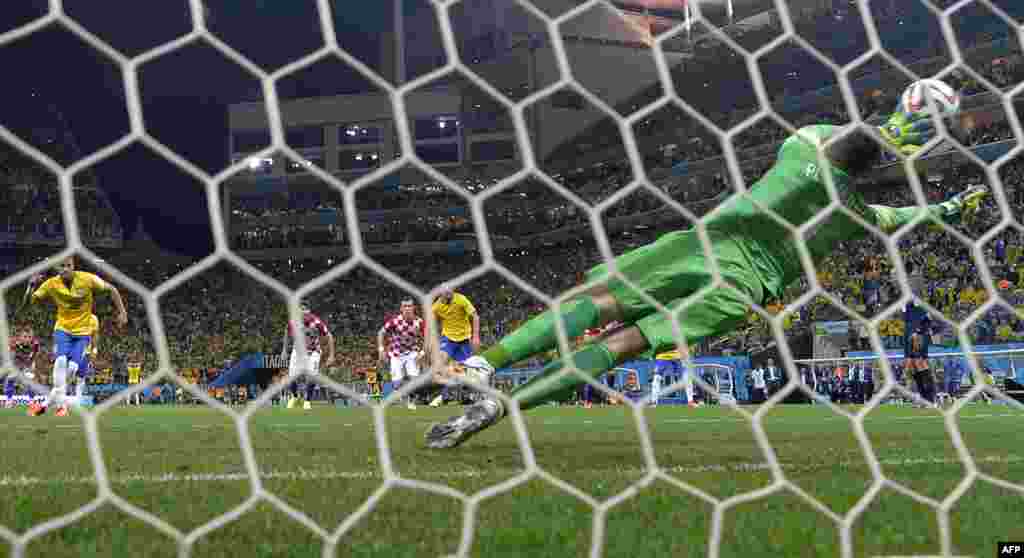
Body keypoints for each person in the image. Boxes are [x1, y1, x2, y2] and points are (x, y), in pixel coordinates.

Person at [425, 96, 988, 449]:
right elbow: (905, 214)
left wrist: (890, 125)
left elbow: (836, 140)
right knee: (625, 344)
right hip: (743, 288)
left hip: (702, 247)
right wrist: (947, 207)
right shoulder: (856, 214)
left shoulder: (803, 147)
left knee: (595, 304)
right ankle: (501, 406)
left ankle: (483, 363)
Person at [18, 256, 127, 417]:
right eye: (62, 266)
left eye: (69, 265)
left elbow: (112, 289)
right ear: (58, 268)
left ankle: (45, 404)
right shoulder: (51, 284)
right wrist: (30, 286)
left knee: (72, 369)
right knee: (61, 361)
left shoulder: (87, 279)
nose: (66, 269)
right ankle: (59, 407)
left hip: (82, 334)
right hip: (63, 329)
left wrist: (122, 311)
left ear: (73, 266)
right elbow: (26, 305)